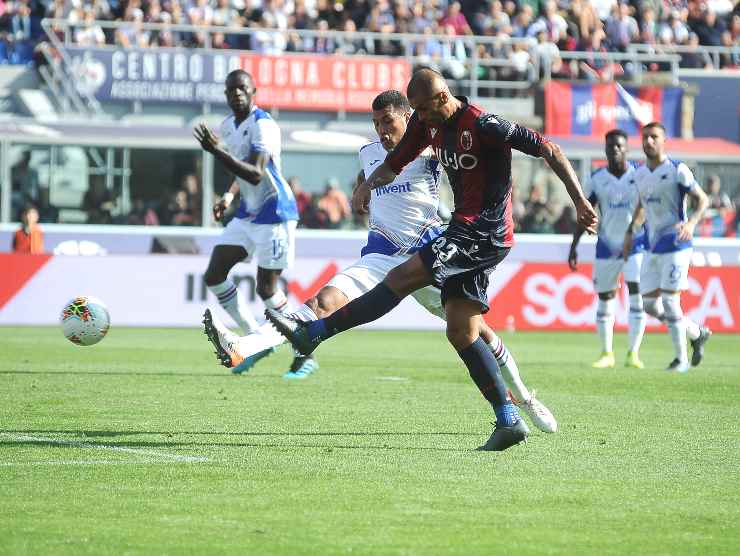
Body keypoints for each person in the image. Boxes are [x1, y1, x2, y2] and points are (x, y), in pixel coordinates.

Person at [267, 69, 597, 451]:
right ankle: (509, 420)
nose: (419, 120)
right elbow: (394, 164)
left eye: (423, 110)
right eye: (416, 113)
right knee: (462, 331)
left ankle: (314, 334)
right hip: (464, 229)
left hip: (484, 231)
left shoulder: (484, 124)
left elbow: (549, 148)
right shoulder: (428, 128)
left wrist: (580, 201)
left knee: (402, 277)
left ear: (442, 98)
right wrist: (364, 187)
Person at [202, 89, 557, 434]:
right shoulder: (368, 153)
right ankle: (242, 348)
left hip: (428, 256)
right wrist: (362, 188)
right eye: (376, 124)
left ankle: (524, 398)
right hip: (381, 255)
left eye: (388, 122)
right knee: (320, 303)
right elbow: (372, 174)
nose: (382, 132)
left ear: (409, 117)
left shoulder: (433, 148)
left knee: (476, 333)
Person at [194, 69, 316, 378]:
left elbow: (256, 173)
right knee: (214, 273)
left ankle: (306, 352)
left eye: (242, 88)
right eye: (232, 89)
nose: (237, 93)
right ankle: (256, 340)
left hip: (275, 212)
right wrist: (227, 197)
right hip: (247, 212)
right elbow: (240, 174)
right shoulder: (228, 126)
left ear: (253, 92)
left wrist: (216, 151)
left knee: (266, 288)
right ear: (226, 95)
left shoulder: (264, 126)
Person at [623, 122, 711, 373]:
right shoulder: (639, 173)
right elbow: (641, 205)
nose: (649, 141)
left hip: (677, 243)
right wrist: (630, 232)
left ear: (663, 141)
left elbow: (702, 199)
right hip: (652, 245)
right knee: (650, 305)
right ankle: (696, 333)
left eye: (654, 137)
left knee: (671, 301)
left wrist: (692, 223)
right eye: (645, 137)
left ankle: (680, 360)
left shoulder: (677, 170)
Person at [569, 129, 647, 370]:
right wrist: (574, 245)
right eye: (610, 145)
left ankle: (633, 354)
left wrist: (633, 229)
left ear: (627, 149)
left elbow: (646, 206)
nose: (615, 149)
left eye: (619, 146)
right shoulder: (597, 178)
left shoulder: (640, 175)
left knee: (636, 295)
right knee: (605, 298)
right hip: (606, 246)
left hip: (636, 245)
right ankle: (607, 353)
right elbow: (585, 214)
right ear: (605, 149)